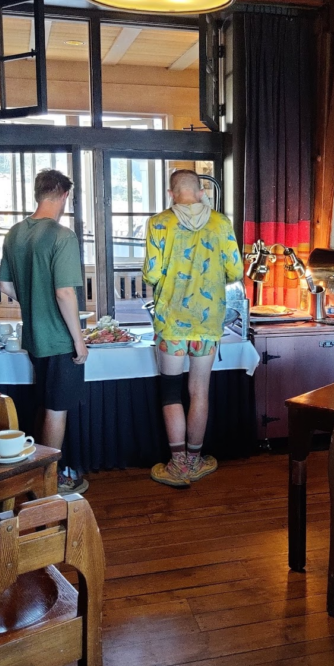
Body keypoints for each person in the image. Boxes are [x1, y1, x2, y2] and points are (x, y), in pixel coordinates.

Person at [142, 170, 242, 488]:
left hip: (171, 322)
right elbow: (236, 270)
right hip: (208, 322)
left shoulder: (158, 223)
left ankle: (178, 464)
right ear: (200, 191)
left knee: (171, 391)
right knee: (200, 391)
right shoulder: (220, 223)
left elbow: (152, 274)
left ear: (172, 193)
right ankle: (197, 461)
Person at [0, 169, 89, 495]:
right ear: (65, 195)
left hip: (34, 336)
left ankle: (36, 473)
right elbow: (66, 294)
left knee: (45, 403)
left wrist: (33, 299)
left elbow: (4, 284)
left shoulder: (15, 233)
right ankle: (47, 484)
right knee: (55, 409)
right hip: (59, 337)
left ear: (38, 194)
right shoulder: (62, 236)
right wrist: (79, 340)